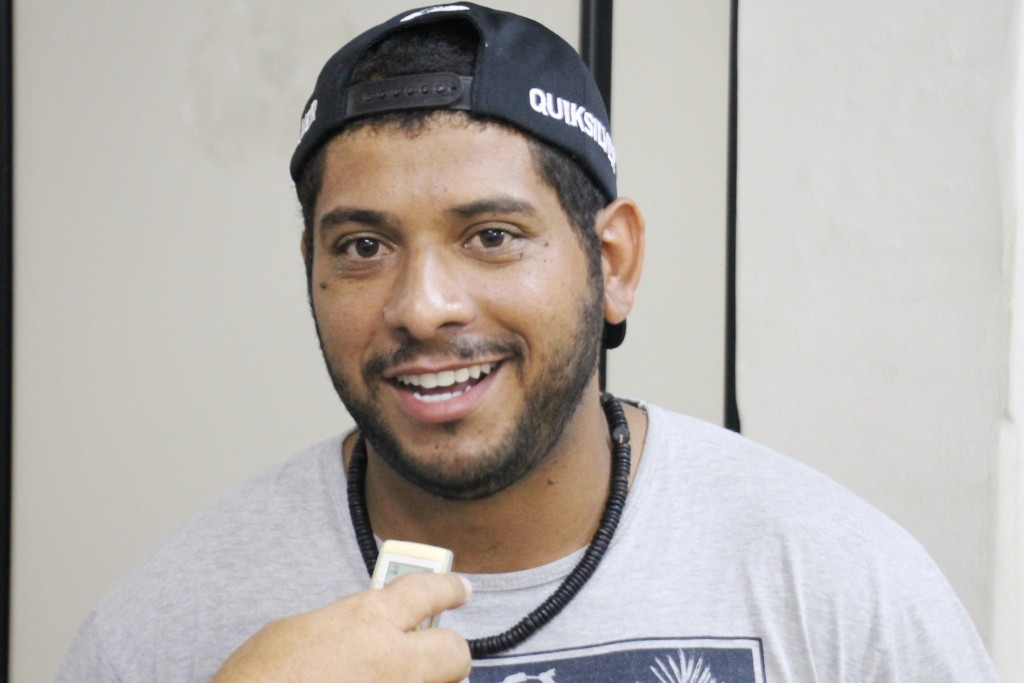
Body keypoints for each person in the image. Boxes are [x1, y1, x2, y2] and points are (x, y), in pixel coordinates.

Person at [57, 4, 1000, 682]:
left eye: (492, 235)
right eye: (364, 246)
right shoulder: (163, 630)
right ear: (311, 268)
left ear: (613, 260)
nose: (423, 306)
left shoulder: (833, 586)